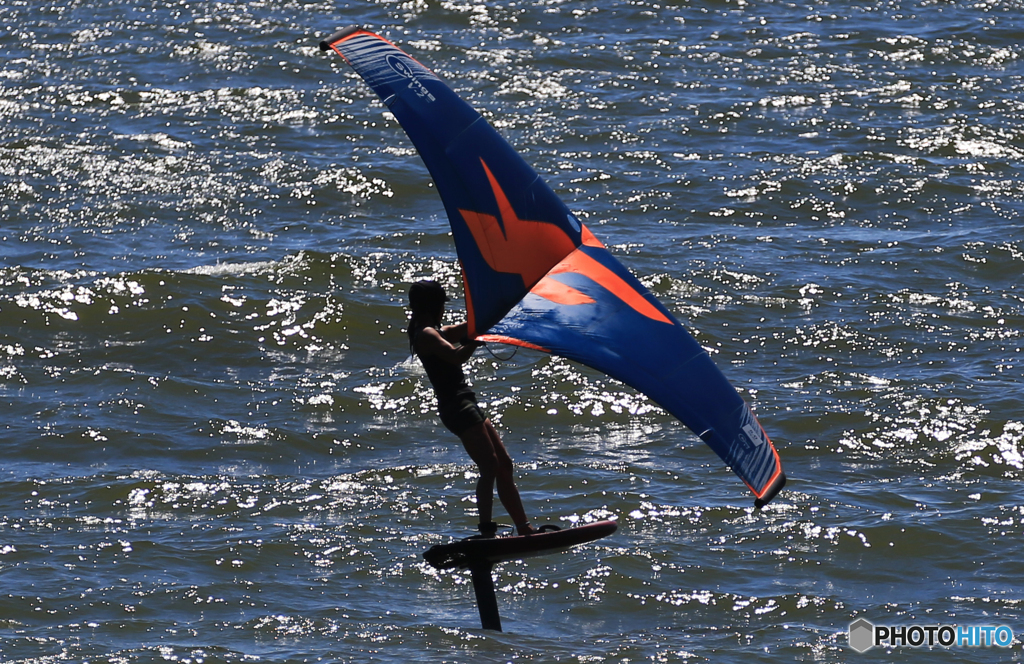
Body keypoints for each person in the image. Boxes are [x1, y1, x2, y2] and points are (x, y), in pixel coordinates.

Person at [407, 280, 537, 537]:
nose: (444, 309)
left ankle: (524, 527)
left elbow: (466, 329)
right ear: (433, 306)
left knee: (504, 465)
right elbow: (455, 356)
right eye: (442, 304)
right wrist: (476, 341)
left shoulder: (436, 331)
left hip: (466, 402)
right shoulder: (425, 334)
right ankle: (487, 530)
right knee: (489, 466)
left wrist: (499, 310)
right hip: (457, 406)